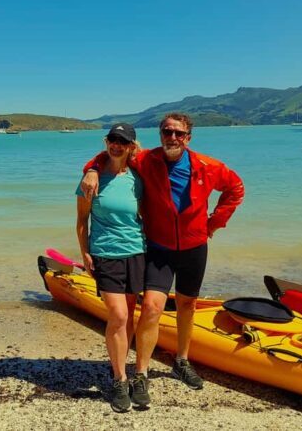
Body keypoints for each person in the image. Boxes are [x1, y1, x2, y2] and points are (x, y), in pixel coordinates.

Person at [80, 112, 244, 406]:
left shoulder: (208, 166)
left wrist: (213, 224)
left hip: (195, 247)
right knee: (152, 307)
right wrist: (91, 168)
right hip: (159, 247)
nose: (172, 138)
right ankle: (140, 373)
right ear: (160, 135)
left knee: (187, 304)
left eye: (178, 133)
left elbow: (236, 189)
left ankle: (181, 360)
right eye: (167, 132)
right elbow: (112, 152)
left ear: (188, 138)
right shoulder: (146, 160)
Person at [76, 123, 145, 413]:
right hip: (105, 254)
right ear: (106, 142)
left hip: (138, 252)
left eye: (123, 141)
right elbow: (81, 222)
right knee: (118, 315)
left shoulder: (138, 177)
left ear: (131, 146)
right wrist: (85, 253)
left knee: (129, 316)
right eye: (112, 140)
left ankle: (130, 373)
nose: (116, 145)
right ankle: (119, 379)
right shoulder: (91, 181)